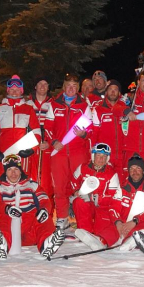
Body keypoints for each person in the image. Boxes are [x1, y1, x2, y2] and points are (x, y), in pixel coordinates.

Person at [0, 154, 64, 259]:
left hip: (30, 229)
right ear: (5, 171)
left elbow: (44, 199)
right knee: (3, 218)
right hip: (11, 230)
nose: (13, 173)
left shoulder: (31, 185)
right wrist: (7, 209)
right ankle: (1, 244)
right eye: (10, 169)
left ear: (21, 170)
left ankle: (46, 243)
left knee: (43, 218)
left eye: (16, 169)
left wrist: (44, 210)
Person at [46, 74, 92, 230]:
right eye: (68, 86)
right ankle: (62, 218)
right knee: (59, 186)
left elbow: (91, 129)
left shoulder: (84, 106)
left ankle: (82, 218)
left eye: (74, 86)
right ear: (64, 87)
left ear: (78, 88)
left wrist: (83, 134)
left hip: (78, 152)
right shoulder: (54, 105)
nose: (71, 89)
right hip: (59, 152)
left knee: (80, 186)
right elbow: (48, 128)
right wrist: (53, 142)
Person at [96, 154, 144, 251]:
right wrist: (118, 222)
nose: (134, 172)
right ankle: (101, 240)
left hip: (143, 221)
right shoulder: (123, 187)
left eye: (138, 168)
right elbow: (113, 207)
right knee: (113, 228)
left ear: (143, 170)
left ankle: (132, 240)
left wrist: (135, 221)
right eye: (132, 169)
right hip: (124, 223)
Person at [0, 75, 42, 179]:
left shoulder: (28, 109)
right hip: (4, 151)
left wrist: (32, 149)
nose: (14, 92)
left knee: (23, 179)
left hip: (22, 152)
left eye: (17, 90)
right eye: (11, 89)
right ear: (7, 91)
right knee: (3, 178)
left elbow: (37, 132)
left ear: (21, 91)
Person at [71, 143, 121, 249]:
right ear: (93, 156)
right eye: (98, 155)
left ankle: (100, 239)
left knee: (102, 230)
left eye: (104, 157)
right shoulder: (83, 168)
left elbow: (114, 197)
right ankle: (85, 233)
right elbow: (73, 181)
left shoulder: (111, 174)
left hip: (103, 209)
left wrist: (97, 198)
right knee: (79, 202)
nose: (101, 159)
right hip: (88, 206)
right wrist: (76, 191)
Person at [26, 76, 55, 197]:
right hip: (30, 140)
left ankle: (45, 202)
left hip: (46, 140)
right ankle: (30, 199)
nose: (42, 86)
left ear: (48, 88)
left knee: (46, 176)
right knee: (30, 172)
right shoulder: (27, 103)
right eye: (40, 84)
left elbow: (56, 126)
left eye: (45, 84)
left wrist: (49, 141)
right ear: (35, 86)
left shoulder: (53, 103)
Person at [91, 79, 127, 171]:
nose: (113, 92)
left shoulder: (125, 109)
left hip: (122, 154)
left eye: (116, 89)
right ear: (106, 91)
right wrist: (93, 152)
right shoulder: (98, 109)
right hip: (105, 154)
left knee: (121, 182)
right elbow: (94, 133)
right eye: (110, 89)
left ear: (119, 93)